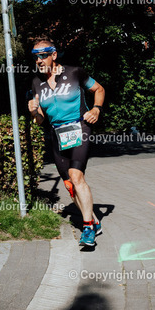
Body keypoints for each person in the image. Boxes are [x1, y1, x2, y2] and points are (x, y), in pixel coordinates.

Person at [28, 39, 106, 248]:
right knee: (70, 185)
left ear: (54, 55)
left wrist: (96, 109)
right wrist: (34, 112)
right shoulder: (36, 82)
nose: (39, 60)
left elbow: (99, 89)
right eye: (35, 57)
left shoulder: (74, 73)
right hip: (57, 134)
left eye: (43, 55)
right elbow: (40, 120)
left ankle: (87, 228)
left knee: (76, 176)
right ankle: (93, 221)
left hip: (80, 127)